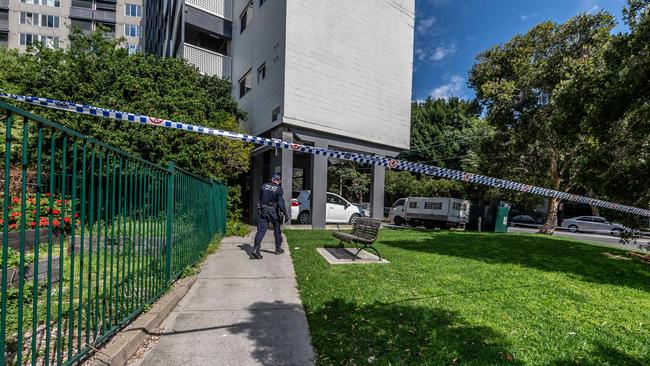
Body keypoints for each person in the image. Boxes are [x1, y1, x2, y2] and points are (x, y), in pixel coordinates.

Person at [252, 173, 289, 259]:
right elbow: (281, 203)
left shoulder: (264, 186)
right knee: (277, 229)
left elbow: (260, 199)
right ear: (278, 181)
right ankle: (278, 248)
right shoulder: (279, 189)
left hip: (263, 210)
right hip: (273, 212)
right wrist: (285, 214)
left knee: (261, 230)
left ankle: (256, 249)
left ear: (272, 179)